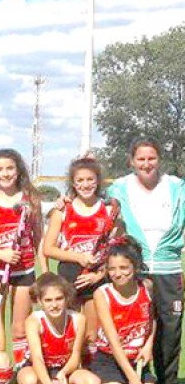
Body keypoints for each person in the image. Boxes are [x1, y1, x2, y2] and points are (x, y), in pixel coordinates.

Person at [106, 138, 185, 384]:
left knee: (169, 335)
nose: (146, 164)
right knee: (132, 330)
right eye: (140, 159)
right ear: (131, 161)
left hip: (169, 270)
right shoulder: (119, 188)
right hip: (134, 270)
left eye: (151, 158)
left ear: (159, 159)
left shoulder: (176, 187)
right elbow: (88, 201)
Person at [44, 157, 121, 367]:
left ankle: (89, 376)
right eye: (80, 180)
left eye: (90, 179)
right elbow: (48, 249)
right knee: (67, 333)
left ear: (98, 181)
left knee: (91, 335)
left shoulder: (108, 210)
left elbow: (116, 251)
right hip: (69, 276)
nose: (85, 185)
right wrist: (79, 257)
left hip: (96, 278)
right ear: (72, 182)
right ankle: (64, 376)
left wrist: (99, 274)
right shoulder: (62, 211)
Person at [0, 148, 46, 370]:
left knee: (20, 328)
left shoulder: (31, 201)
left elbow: (39, 240)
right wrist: (0, 254)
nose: (5, 173)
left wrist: (45, 273)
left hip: (24, 271)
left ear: (18, 170)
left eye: (9, 168)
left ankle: (21, 373)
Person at [92, 237, 165, 384]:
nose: (118, 274)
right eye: (112, 269)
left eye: (124, 267)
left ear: (135, 266)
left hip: (138, 362)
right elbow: (114, 342)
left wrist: (148, 346)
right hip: (109, 361)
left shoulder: (147, 287)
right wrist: (132, 378)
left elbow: (152, 319)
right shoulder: (102, 294)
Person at [16, 273, 101, 384]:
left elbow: (75, 356)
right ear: (39, 301)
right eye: (48, 300)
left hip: (65, 369)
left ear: (66, 298)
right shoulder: (34, 321)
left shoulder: (79, 319)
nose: (54, 305)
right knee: (29, 383)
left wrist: (62, 374)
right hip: (38, 368)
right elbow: (37, 359)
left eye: (59, 299)